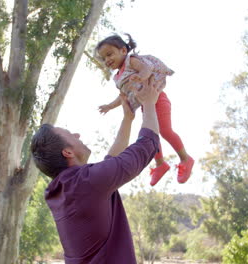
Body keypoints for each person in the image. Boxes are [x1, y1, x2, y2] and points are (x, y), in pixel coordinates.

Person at [31, 76, 160, 263]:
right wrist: (149, 103)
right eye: (70, 134)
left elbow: (111, 162)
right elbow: (146, 146)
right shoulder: (86, 183)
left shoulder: (64, 190)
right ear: (67, 152)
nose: (77, 134)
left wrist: (127, 119)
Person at [96, 33, 194, 186]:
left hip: (158, 98)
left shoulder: (131, 61)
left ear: (123, 50)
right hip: (146, 105)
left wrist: (141, 76)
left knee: (165, 130)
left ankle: (185, 158)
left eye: (109, 54)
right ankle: (160, 164)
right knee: (150, 133)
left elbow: (147, 69)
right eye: (103, 58)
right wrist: (110, 106)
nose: (107, 60)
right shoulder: (118, 77)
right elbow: (123, 96)